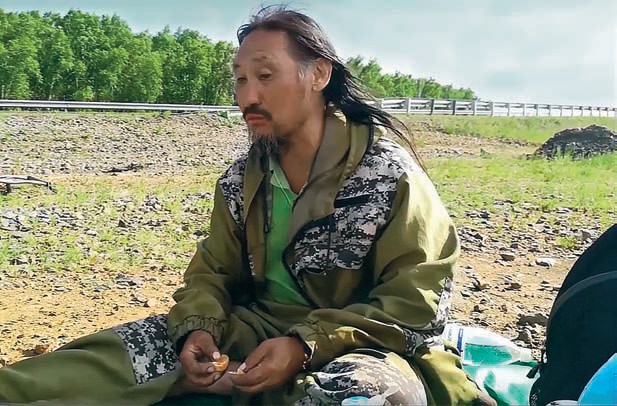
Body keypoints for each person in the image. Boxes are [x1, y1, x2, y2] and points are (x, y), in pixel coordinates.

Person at [0, 6, 493, 405]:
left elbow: (416, 304)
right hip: (252, 331)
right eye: (239, 80)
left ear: (319, 74)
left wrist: (304, 346)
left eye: (265, 75)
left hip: (363, 347)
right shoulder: (241, 181)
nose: (248, 96)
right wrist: (198, 330)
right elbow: (212, 272)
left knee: (364, 398)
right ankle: (232, 380)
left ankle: (237, 385)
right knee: (94, 364)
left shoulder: (386, 173)